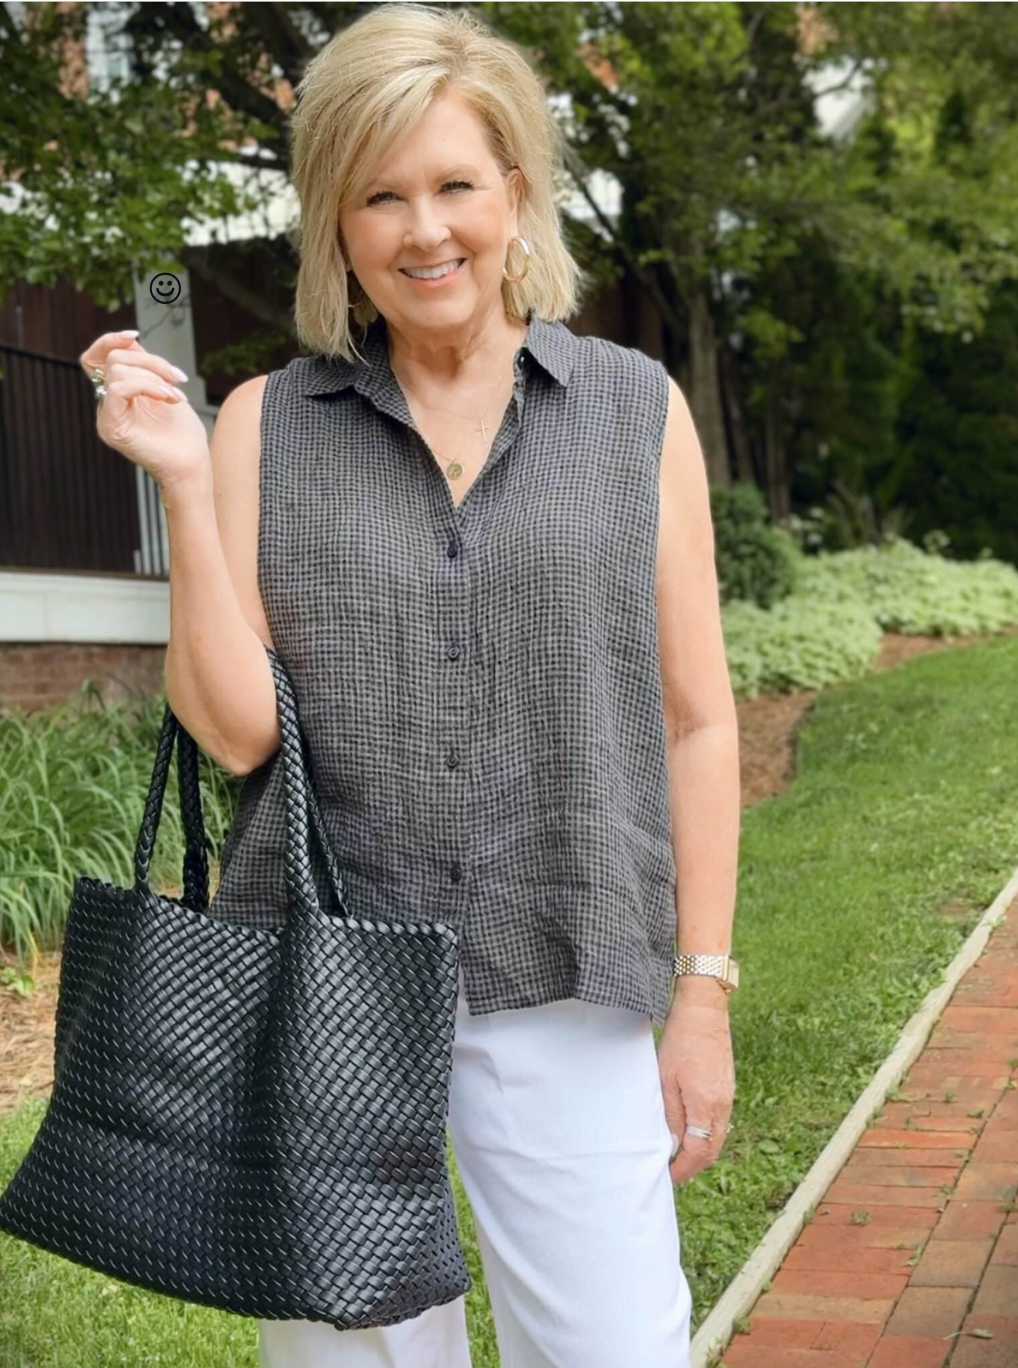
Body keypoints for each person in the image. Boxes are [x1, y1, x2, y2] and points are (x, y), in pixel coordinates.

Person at [78, 5, 739, 1364]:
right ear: (336, 220)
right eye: (380, 196)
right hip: (320, 980)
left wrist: (703, 993)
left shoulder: (633, 410)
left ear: (514, 192)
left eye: (453, 184)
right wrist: (189, 487)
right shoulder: (269, 420)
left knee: (618, 1349)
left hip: (564, 964)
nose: (422, 231)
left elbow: (695, 716)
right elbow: (235, 730)